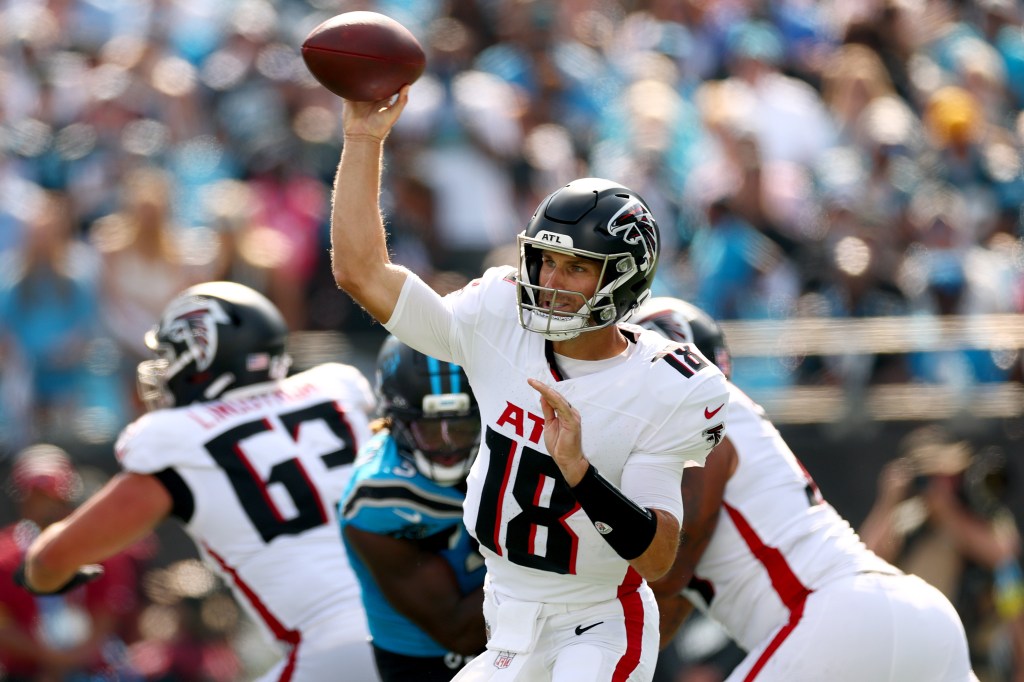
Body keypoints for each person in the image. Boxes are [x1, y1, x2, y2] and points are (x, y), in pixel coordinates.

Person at [329, 88, 730, 682]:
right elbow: (360, 272)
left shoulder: (664, 385)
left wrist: (581, 475)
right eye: (544, 259)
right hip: (508, 621)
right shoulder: (498, 319)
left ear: (622, 279)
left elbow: (656, 557)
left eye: (575, 267)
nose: (550, 279)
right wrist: (364, 139)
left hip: (598, 621)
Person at [18, 281, 380, 681]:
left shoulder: (179, 438)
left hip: (337, 647)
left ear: (202, 354)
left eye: (171, 355)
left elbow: (52, 558)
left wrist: (41, 574)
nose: (164, 367)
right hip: (423, 624)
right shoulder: (335, 392)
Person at [633, 296, 977, 681]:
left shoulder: (696, 412)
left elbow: (670, 571)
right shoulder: (730, 414)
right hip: (915, 616)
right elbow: (667, 596)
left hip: (830, 620)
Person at [339, 335, 487, 681]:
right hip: (433, 663)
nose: (448, 445)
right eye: (431, 430)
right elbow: (460, 632)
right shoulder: (380, 498)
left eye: (463, 426)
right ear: (395, 420)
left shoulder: (511, 433)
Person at [859, 426, 1024, 682]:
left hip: (977, 659)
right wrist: (888, 501)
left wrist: (948, 514)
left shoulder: (983, 514)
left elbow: (1002, 554)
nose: (945, 484)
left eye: (951, 475)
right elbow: (865, 563)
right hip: (923, 658)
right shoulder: (908, 520)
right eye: (934, 477)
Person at [0, 443, 141, 681]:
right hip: (26, 672)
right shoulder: (5, 555)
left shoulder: (102, 550)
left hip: (92, 670)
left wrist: (71, 661)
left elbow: (107, 614)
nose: (47, 507)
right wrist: (48, 660)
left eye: (53, 496)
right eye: (37, 498)